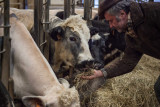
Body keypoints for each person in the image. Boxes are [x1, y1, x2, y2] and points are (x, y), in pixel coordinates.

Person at [81, 0, 160, 103]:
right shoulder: (131, 35)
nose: (110, 26)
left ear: (122, 14)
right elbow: (128, 61)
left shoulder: (152, 11)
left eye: (111, 20)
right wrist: (101, 72)